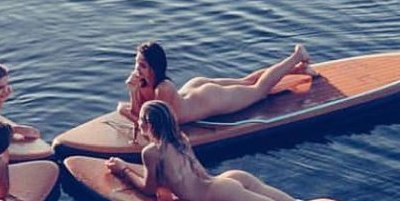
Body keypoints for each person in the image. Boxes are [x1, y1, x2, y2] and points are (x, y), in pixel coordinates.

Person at [107, 100, 400, 201]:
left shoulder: (151, 153)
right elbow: (192, 174)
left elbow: (149, 189)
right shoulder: (180, 139)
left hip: (221, 196)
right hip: (228, 180)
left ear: (150, 125)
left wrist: (123, 170)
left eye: (141, 122)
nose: (140, 126)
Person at [117, 39, 315, 126]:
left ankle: (297, 55)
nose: (137, 69)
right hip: (194, 90)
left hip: (209, 99)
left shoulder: (163, 89)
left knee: (259, 90)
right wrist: (133, 92)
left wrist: (125, 110)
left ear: (154, 68)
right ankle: (297, 69)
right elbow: (138, 111)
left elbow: (162, 126)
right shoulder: (141, 82)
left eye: (142, 65)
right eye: (137, 63)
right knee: (245, 81)